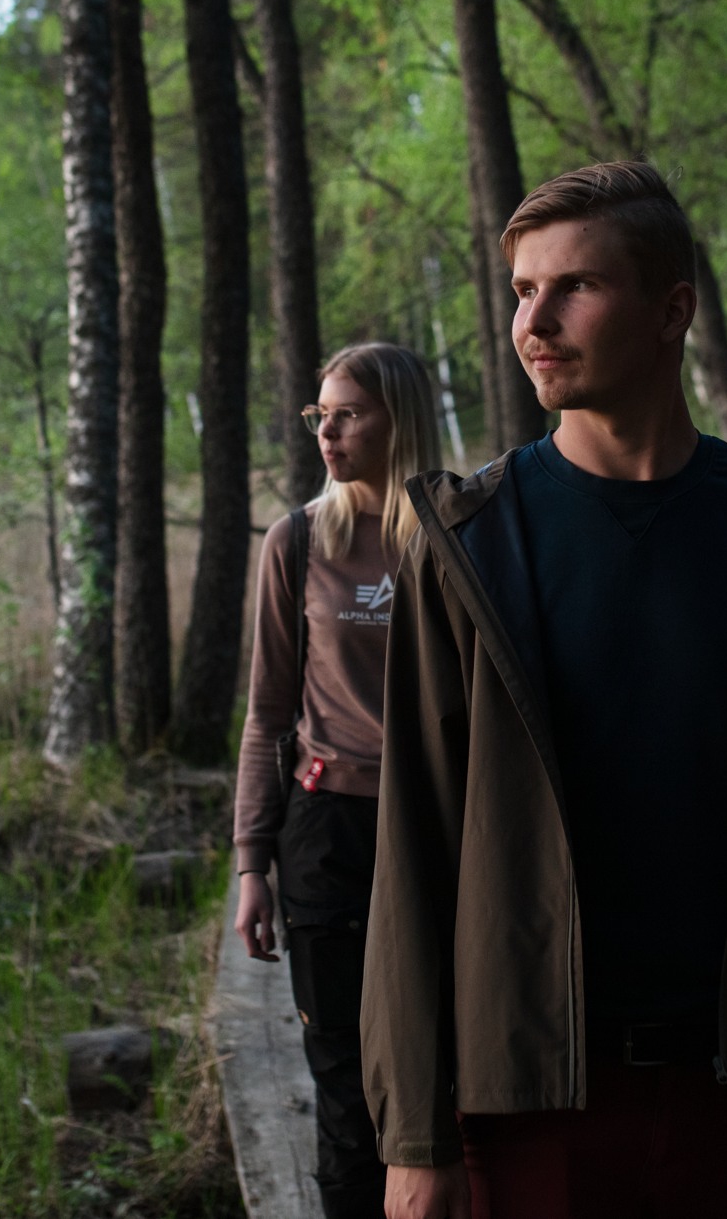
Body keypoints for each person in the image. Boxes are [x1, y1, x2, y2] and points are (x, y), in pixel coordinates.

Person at [362, 162, 727, 1219]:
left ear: (672, 311)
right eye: (524, 290)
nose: (537, 319)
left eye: (575, 286)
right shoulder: (473, 543)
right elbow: (413, 849)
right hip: (523, 1088)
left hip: (724, 1079)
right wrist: (415, 1131)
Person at [232, 341, 446, 1219]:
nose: (328, 431)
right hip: (327, 838)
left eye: (348, 412)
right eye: (320, 414)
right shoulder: (296, 540)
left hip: (435, 833)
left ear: (399, 418)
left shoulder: (453, 535)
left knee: (445, 1077)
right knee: (347, 1092)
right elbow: (268, 711)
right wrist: (252, 861)